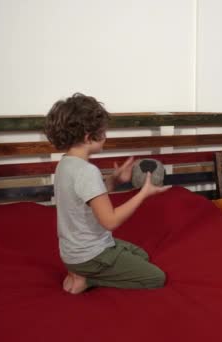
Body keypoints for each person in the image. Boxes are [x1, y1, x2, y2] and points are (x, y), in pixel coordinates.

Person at [44, 93, 170, 295]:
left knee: (141, 255)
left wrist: (114, 181)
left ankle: (80, 271)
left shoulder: (65, 164)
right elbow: (110, 222)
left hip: (72, 254)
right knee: (156, 278)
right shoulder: (87, 171)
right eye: (103, 132)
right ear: (88, 137)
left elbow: (84, 199)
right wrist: (143, 193)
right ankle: (88, 278)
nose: (106, 136)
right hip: (91, 257)